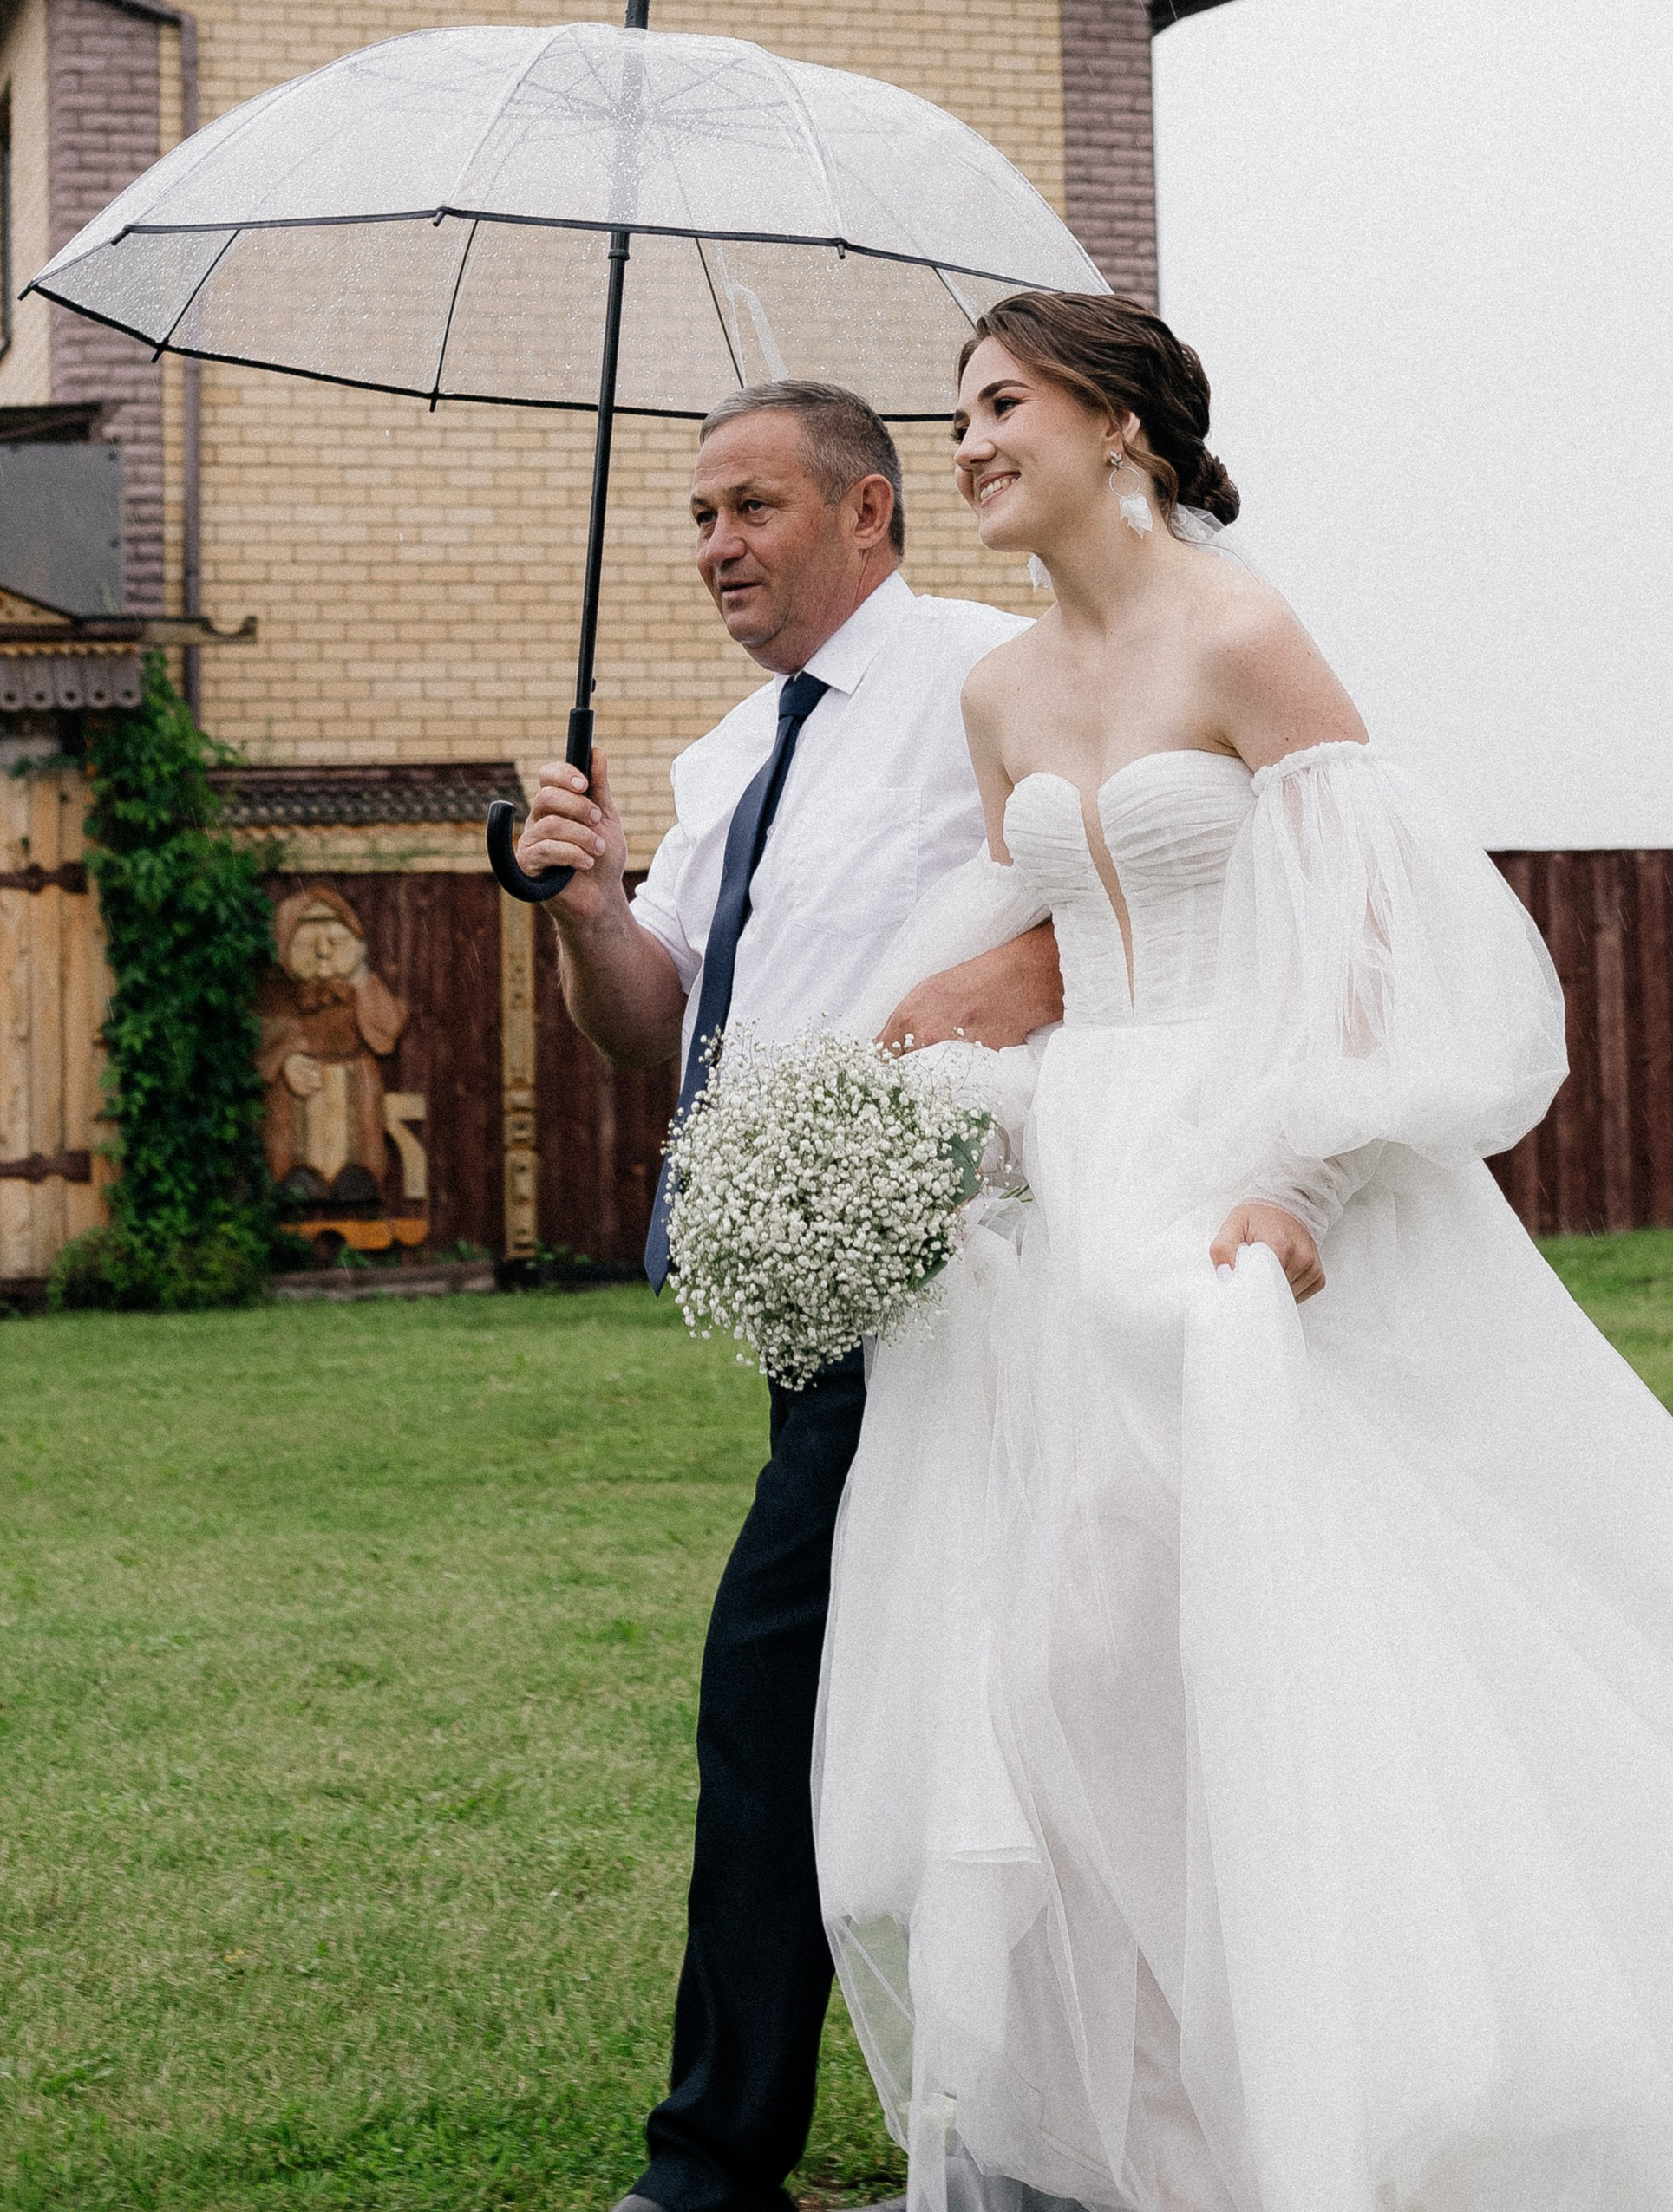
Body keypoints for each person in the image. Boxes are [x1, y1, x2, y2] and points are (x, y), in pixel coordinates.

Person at [815, 291, 1673, 2212]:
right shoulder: (995, 695)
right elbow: (1047, 953)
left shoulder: (1240, 633)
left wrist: (1300, 1184)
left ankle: (1422, 2083)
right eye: (955, 414)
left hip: (1254, 1169)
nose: (966, 443)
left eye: (998, 405)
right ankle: (1174, 2130)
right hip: (1081, 1186)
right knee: (1073, 1670)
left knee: (1320, 1641)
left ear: (1119, 425)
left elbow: (1394, 935)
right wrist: (914, 1099)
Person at [515, 380, 1063, 2212]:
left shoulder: (987, 669)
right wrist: (592, 908)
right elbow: (657, 1032)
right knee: (843, 1704)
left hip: (976, 1286)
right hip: (808, 1302)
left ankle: (724, 2158)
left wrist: (1021, 976)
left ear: (870, 514)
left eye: (751, 507)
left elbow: (1128, 870)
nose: (715, 547)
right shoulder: (730, 755)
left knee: (802, 1697)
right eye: (695, 516)